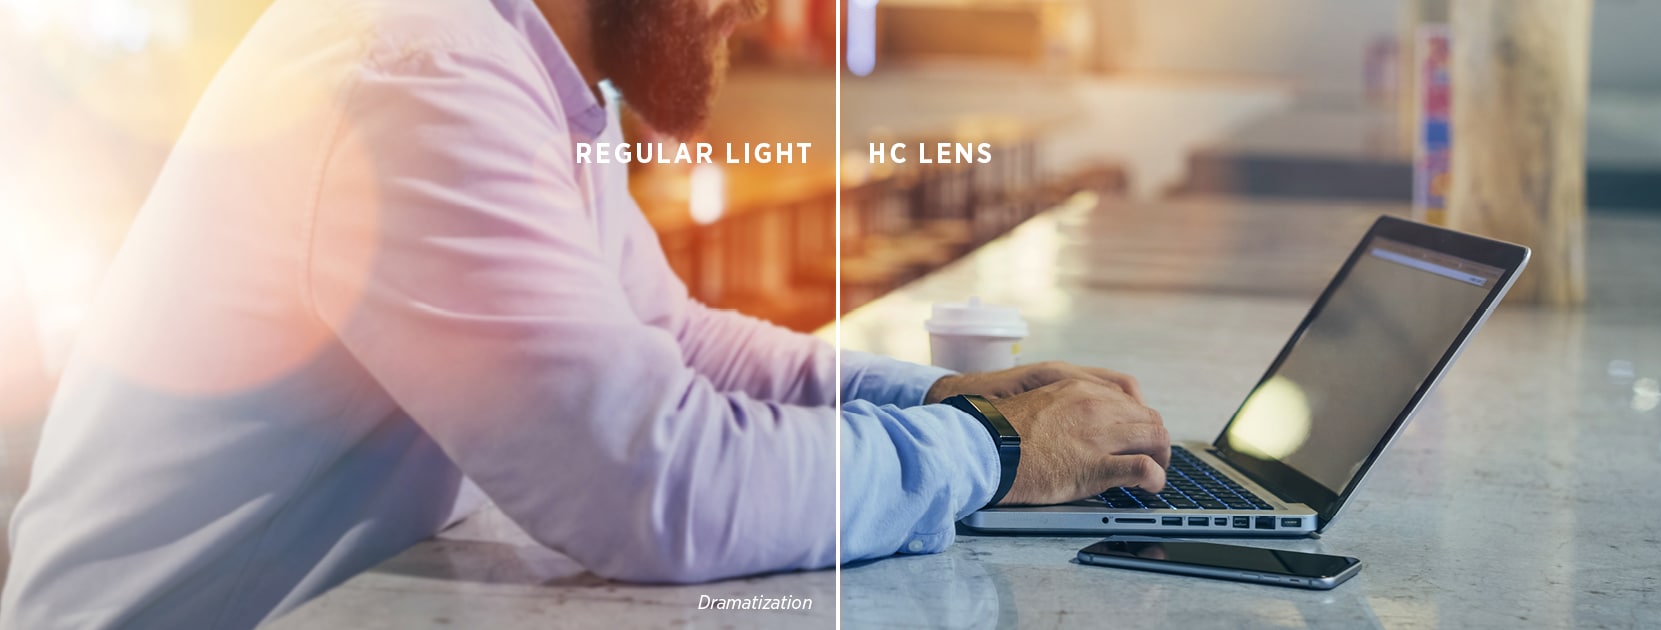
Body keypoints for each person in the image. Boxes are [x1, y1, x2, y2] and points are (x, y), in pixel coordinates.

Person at [0, 0, 1170, 627]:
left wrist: (942, 397)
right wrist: (997, 451)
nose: (762, 10)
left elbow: (674, 341)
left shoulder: (528, 72)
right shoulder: (414, 65)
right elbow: (652, 487)